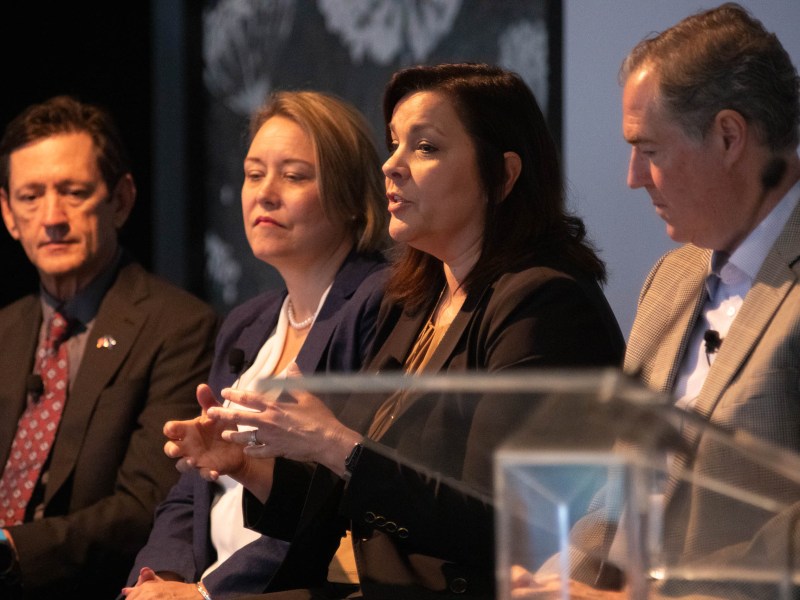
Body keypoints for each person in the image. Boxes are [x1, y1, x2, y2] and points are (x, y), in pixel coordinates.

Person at [166, 63, 625, 599]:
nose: (392, 166)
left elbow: (506, 527)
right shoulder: (416, 301)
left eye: (425, 147)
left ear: (503, 175)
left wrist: (335, 443)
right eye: (393, 145)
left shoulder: (544, 304)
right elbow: (347, 502)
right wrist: (247, 466)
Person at [516, 4, 800, 598]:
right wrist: (560, 579)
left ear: (728, 136)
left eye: (649, 149)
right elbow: (622, 488)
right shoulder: (669, 280)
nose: (633, 177)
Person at [122, 90, 389, 600]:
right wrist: (161, 580)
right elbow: (191, 491)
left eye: (293, 176)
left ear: (354, 197)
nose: (265, 193)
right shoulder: (248, 324)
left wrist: (208, 594)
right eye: (253, 173)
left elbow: (330, 505)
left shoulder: (377, 305)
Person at [0, 95, 218, 598]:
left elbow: (146, 504)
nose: (52, 217)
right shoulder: (6, 332)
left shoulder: (180, 328)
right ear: (9, 215)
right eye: (30, 197)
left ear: (120, 200)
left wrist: (10, 547)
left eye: (73, 192)